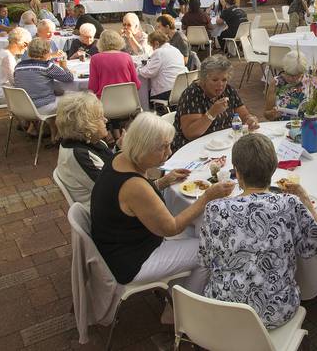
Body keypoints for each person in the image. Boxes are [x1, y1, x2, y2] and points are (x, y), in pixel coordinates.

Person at [90, 113, 234, 309]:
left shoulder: (120, 158)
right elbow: (171, 227)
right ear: (142, 147)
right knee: (210, 249)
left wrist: (163, 182)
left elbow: (137, 201)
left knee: (197, 232)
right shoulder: (134, 185)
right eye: (163, 147)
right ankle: (185, 312)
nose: (169, 151)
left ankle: (178, 291)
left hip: (118, 245)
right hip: (131, 260)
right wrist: (208, 197)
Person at [199, 133, 317, 328]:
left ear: (237, 172)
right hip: (278, 312)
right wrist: (305, 200)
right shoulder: (289, 204)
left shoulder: (215, 208)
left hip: (224, 312)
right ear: (274, 168)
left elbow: (205, 260)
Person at [171, 54, 259, 151]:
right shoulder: (192, 94)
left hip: (223, 144)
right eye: (215, 80)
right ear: (203, 79)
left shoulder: (229, 91)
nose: (220, 84)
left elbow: (244, 115)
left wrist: (250, 119)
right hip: (194, 148)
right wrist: (212, 113)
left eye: (224, 80)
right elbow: (191, 134)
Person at [55, 92, 114, 207]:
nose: (106, 120)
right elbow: (112, 189)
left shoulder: (91, 141)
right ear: (86, 125)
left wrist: (120, 148)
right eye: (100, 118)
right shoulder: (80, 155)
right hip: (104, 211)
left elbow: (112, 167)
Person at [14, 37, 74, 120]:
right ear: (46, 52)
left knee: (57, 93)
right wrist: (64, 67)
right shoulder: (47, 66)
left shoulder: (19, 66)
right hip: (42, 107)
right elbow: (69, 78)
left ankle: (45, 128)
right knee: (73, 98)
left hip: (22, 106)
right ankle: (62, 130)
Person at [87, 30, 141, 100]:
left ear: (100, 42)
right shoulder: (127, 57)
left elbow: (93, 88)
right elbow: (137, 85)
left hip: (104, 104)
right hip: (127, 102)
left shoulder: (95, 59)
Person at [139, 31, 186, 105]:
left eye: (151, 46)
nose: (152, 49)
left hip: (166, 92)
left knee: (144, 93)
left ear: (156, 43)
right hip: (181, 89)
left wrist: (139, 69)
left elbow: (148, 72)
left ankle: (147, 111)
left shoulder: (159, 52)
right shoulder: (176, 50)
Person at [0, 27, 31, 104]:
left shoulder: (5, 52)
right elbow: (14, 81)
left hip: (3, 91)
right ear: (16, 41)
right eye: (25, 44)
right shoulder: (7, 56)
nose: (26, 48)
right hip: (3, 94)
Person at [263, 51, 307, 121]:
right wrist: (272, 114)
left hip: (305, 126)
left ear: (302, 72)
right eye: (288, 74)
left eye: (296, 75)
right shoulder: (276, 83)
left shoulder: (311, 82)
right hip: (281, 127)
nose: (291, 78)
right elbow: (266, 114)